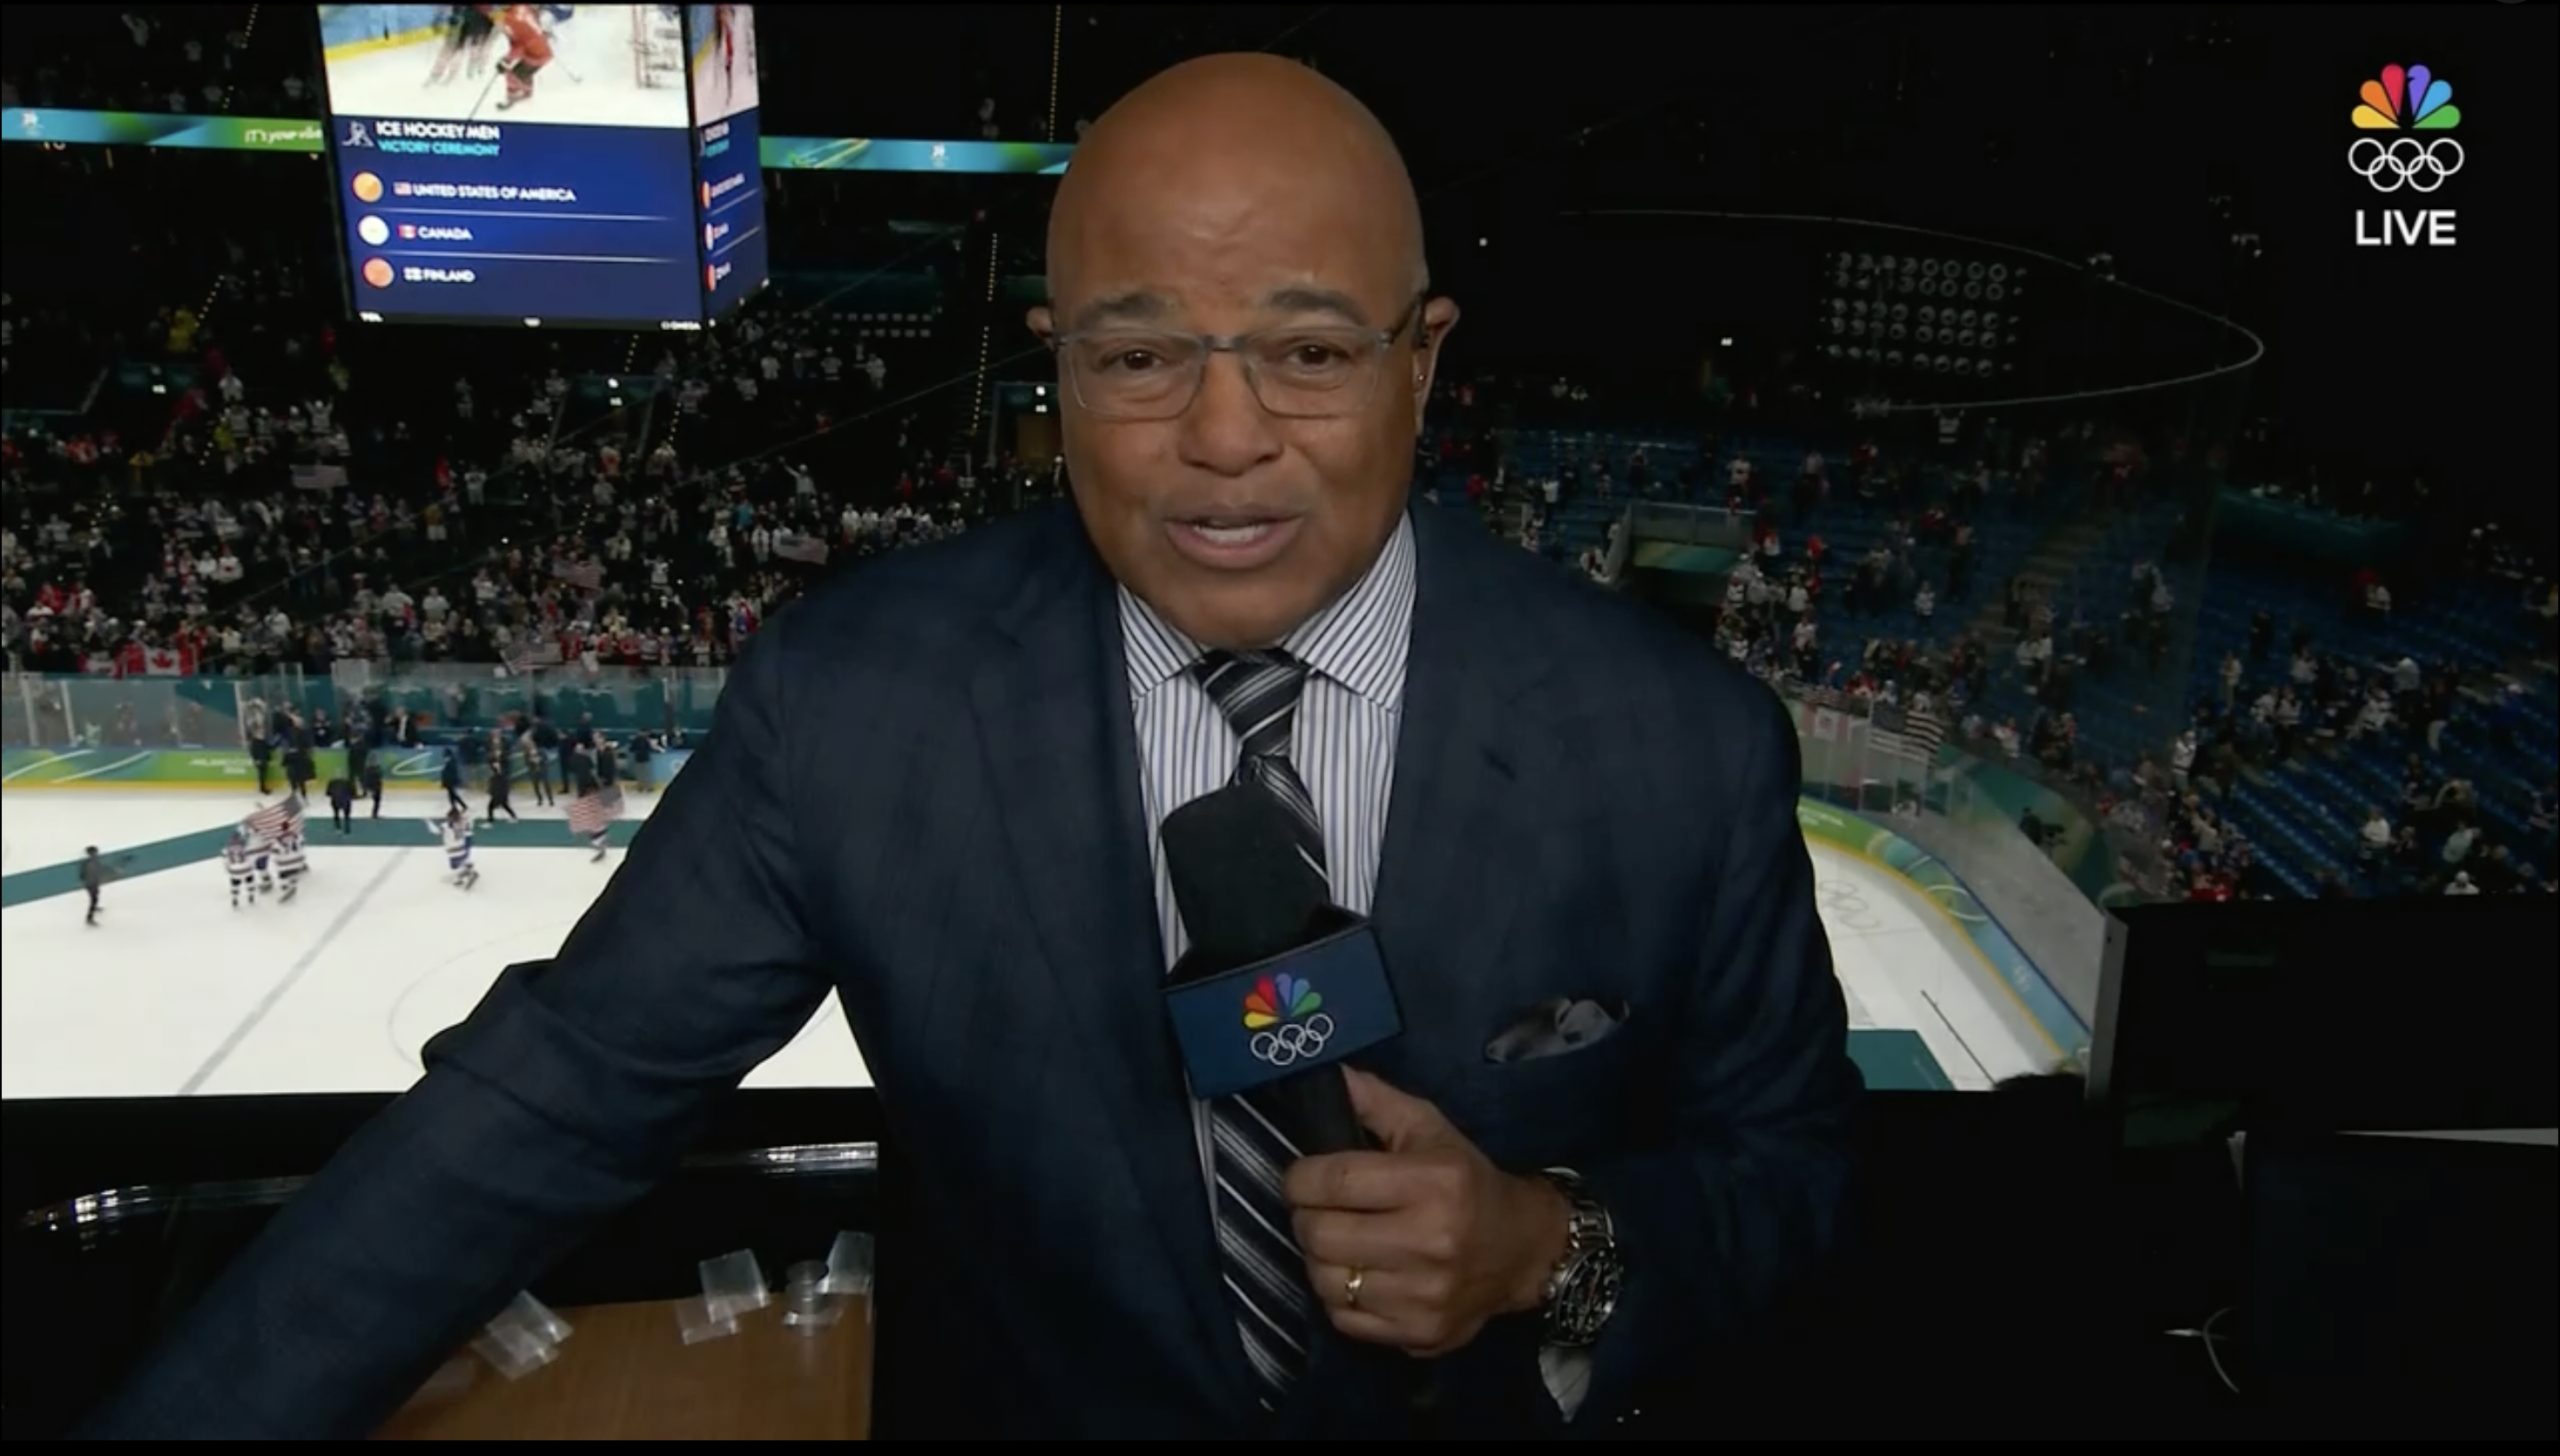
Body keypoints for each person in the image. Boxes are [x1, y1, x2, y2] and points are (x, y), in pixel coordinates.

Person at [89, 55, 1856, 1440]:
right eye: (1139, 358)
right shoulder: (857, 700)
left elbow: (1793, 1180)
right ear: (1052, 369)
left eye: (1310, 351)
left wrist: (1554, 1245)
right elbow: (547, 1105)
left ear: (1424, 362)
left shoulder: (1678, 748)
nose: (1223, 437)